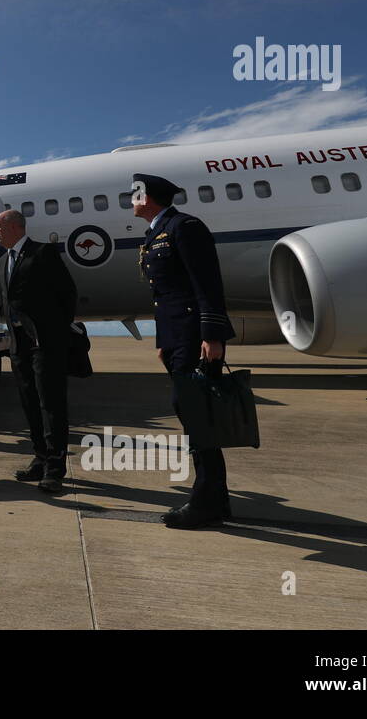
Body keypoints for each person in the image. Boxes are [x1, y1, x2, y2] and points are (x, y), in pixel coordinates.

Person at [133, 172, 237, 529]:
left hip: (196, 335)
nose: (131, 199)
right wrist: (164, 341)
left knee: (197, 416)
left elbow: (206, 284)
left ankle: (206, 501)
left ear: (149, 198)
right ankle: (216, 499)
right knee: (194, 414)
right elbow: (164, 297)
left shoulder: (185, 227)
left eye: (135, 193)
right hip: (178, 337)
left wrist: (213, 335)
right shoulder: (156, 233)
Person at [0, 208, 77, 494]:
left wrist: (52, 333)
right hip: (19, 345)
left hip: (45, 343)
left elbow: (67, 294)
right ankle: (39, 457)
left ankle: (55, 467)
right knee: (29, 401)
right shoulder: (4, 260)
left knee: (50, 403)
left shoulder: (43, 254)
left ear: (15, 227)